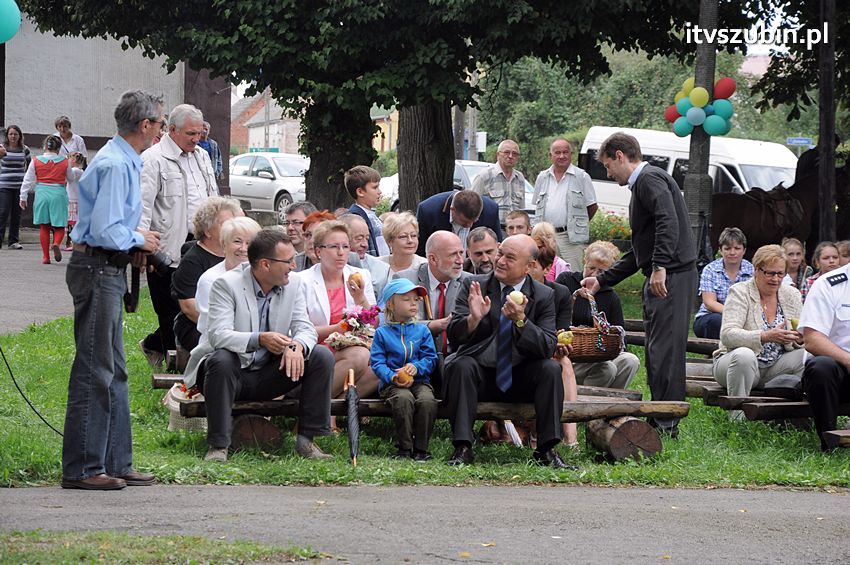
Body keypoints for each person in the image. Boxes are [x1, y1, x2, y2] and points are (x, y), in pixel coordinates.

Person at [61, 90, 163, 490]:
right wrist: (139, 240)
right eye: (158, 122)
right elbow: (105, 229)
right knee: (95, 369)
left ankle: (117, 462)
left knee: (115, 370)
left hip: (106, 269)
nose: (160, 128)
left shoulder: (121, 159)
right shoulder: (117, 164)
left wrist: (135, 238)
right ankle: (84, 469)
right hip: (97, 268)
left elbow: (110, 223)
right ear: (144, 126)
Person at [581, 131, 697, 438]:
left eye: (608, 166)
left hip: (672, 276)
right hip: (666, 273)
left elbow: (667, 221)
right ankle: (661, 418)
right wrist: (602, 280)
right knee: (657, 351)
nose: (608, 173)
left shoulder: (649, 180)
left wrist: (660, 266)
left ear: (620, 156)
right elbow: (639, 249)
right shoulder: (645, 184)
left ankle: (666, 422)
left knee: (666, 352)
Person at [182, 229, 334, 462]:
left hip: (267, 373)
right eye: (288, 261)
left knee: (320, 356)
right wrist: (260, 339)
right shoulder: (226, 284)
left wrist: (297, 346)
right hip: (225, 375)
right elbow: (218, 336)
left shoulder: (293, 284)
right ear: (265, 264)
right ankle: (218, 446)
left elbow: (305, 327)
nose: (294, 265)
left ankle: (307, 441)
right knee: (222, 358)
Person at [443, 234, 571, 468]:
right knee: (461, 365)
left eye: (509, 258)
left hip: (519, 376)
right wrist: (473, 319)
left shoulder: (544, 296)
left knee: (551, 369)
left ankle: (547, 450)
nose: (500, 261)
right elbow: (453, 335)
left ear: (530, 266)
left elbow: (547, 346)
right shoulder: (475, 285)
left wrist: (522, 321)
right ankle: (462, 447)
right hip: (480, 376)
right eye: (500, 253)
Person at [138, 104, 219, 367]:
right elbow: (142, 205)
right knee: (171, 311)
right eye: (191, 134)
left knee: (199, 308)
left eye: (200, 134)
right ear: (172, 130)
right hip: (167, 247)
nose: (197, 139)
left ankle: (157, 346)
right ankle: (175, 365)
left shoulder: (202, 156)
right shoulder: (152, 159)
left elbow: (213, 197)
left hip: (203, 245)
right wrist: (142, 247)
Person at [712, 245, 805, 421]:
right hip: (735, 365)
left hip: (775, 367)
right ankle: (737, 419)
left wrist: (799, 338)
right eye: (770, 273)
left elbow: (800, 336)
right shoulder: (740, 291)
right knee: (744, 355)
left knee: (806, 357)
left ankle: (791, 417)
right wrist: (764, 336)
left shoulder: (792, 294)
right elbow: (728, 335)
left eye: (780, 274)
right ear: (756, 270)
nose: (776, 279)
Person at [300, 220, 379, 410]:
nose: (341, 252)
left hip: (354, 342)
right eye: (334, 247)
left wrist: (360, 298)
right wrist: (336, 329)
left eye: (345, 246)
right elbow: (300, 329)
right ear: (319, 251)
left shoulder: (360, 275)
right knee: (360, 356)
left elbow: (374, 322)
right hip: (318, 347)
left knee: (385, 364)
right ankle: (319, 411)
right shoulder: (302, 281)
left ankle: (327, 411)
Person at [557, 241, 640, 390]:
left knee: (630, 360)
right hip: (570, 355)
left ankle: (613, 404)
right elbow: (554, 313)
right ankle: (586, 405)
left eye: (601, 272)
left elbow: (621, 337)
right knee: (607, 368)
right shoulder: (566, 281)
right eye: (591, 268)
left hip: (600, 353)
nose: (595, 274)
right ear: (584, 262)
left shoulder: (610, 296)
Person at [371, 279, 439, 460]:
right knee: (403, 398)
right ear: (391, 304)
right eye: (406, 299)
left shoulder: (422, 331)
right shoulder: (381, 333)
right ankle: (405, 448)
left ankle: (421, 449)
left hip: (420, 380)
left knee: (427, 401)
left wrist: (416, 367)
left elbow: (431, 359)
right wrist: (392, 377)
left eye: (416, 300)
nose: (413, 303)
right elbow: (377, 363)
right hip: (392, 384)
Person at [395, 230, 470, 395]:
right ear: (432, 259)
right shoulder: (405, 280)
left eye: (461, 253)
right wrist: (435, 325)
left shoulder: (470, 282)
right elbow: (399, 323)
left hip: (455, 355)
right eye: (453, 255)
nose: (460, 260)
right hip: (415, 356)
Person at [171, 197, 242, 352]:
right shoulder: (193, 260)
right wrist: (225, 327)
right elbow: (189, 307)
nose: (233, 228)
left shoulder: (238, 254)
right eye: (226, 224)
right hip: (197, 327)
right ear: (208, 231)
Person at [529, 235, 578, 448]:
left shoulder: (560, 293)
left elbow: (562, 331)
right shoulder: (516, 290)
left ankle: (571, 437)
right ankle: (535, 432)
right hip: (525, 351)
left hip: (549, 350)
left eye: (533, 266)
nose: (527, 269)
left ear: (548, 267)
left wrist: (560, 343)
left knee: (563, 362)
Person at [798, 260, 850, 451]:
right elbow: (812, 339)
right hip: (840, 373)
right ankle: (829, 443)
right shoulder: (830, 284)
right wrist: (847, 359)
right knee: (821, 367)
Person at [532, 138, 598, 270]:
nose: (562, 156)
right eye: (557, 152)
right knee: (545, 273)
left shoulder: (582, 177)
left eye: (565, 152)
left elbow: (592, 206)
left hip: (571, 238)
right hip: (545, 238)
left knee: (572, 275)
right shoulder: (542, 177)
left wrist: (577, 224)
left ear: (571, 154)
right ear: (550, 156)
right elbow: (537, 205)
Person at [19, 136, 83, 264]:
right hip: (58, 193)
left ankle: (46, 257)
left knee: (44, 226)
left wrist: (23, 196)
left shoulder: (36, 160)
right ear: (59, 148)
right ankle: (57, 243)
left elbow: (28, 179)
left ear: (44, 147)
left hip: (42, 193)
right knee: (59, 225)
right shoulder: (64, 161)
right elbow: (70, 178)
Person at [195, 216, 263, 336]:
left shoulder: (265, 278)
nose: (243, 248)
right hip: (219, 347)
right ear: (223, 245)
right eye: (237, 241)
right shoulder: (211, 280)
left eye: (250, 243)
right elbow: (213, 328)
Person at [693, 227, 754, 340]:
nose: (732, 252)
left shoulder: (752, 270)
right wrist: (733, 314)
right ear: (720, 250)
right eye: (727, 248)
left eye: (737, 248)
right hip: (712, 316)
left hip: (745, 318)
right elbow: (709, 302)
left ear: (744, 250)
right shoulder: (710, 269)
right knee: (718, 322)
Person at [415, 188, 502, 256]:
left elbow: (497, 245)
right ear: (452, 210)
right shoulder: (428, 211)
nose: (470, 225)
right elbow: (420, 250)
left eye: (474, 221)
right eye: (465, 222)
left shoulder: (490, 210)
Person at [471, 139, 527, 227]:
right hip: (490, 230)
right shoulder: (484, 176)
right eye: (506, 152)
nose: (510, 156)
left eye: (515, 154)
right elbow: (471, 205)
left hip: (514, 231)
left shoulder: (519, 178)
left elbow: (521, 209)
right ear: (498, 155)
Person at [55, 115, 88, 250]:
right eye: (59, 127)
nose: (62, 129)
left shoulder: (78, 139)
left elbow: (84, 157)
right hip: (59, 172)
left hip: (73, 173)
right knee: (65, 210)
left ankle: (72, 240)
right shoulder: (55, 138)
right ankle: (66, 239)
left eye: (65, 126)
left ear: (69, 126)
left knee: (73, 213)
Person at [339, 212, 390, 299]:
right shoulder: (326, 268)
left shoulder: (381, 270)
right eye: (359, 238)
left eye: (367, 238)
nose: (365, 244)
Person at [345, 165, 389, 256]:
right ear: (360, 192)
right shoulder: (356, 218)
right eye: (374, 187)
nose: (379, 191)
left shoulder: (372, 215)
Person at [0, 125, 31, 249]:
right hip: (4, 185)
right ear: (7, 136)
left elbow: (30, 166)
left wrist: (27, 180)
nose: (13, 136)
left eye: (15, 134)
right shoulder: (2, 148)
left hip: (19, 186)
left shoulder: (25, 149)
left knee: (16, 214)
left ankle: (13, 241)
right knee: (3, 212)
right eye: (11, 134)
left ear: (20, 136)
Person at [379, 211, 428, 276]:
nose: (410, 241)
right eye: (403, 236)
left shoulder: (425, 266)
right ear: (390, 241)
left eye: (413, 236)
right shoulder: (377, 265)